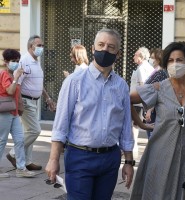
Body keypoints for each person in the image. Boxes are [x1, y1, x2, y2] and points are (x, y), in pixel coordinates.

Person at [45, 28, 135, 200]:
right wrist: (53, 159)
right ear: (93, 49)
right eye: (100, 45)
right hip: (80, 157)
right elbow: (61, 124)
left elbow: (125, 127)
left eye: (110, 47)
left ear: (118, 53)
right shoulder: (74, 81)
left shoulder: (121, 86)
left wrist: (129, 162)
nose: (105, 50)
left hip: (110, 159)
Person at [130, 41, 185, 200]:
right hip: (159, 155)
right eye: (170, 60)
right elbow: (127, 100)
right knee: (157, 194)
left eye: (179, 60)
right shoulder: (158, 88)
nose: (175, 64)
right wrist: (141, 124)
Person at [6, 35, 56, 171]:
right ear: (31, 46)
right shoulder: (24, 61)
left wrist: (48, 98)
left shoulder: (36, 61)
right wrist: (20, 103)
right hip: (26, 101)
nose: (41, 48)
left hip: (35, 101)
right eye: (39, 45)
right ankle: (13, 154)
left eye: (42, 45)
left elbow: (38, 84)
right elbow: (18, 84)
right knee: (34, 130)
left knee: (28, 131)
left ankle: (27, 161)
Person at [0, 49, 36, 178]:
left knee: (20, 140)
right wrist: (16, 78)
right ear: (6, 62)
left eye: (17, 61)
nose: (16, 63)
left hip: (14, 113)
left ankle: (21, 168)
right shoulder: (4, 74)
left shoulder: (11, 75)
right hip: (4, 113)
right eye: (13, 61)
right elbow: (9, 91)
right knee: (2, 140)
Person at [130, 47, 154, 152]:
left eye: (135, 55)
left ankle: (133, 146)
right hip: (144, 102)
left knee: (135, 124)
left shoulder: (141, 69)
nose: (133, 57)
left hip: (138, 102)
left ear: (141, 57)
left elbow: (143, 86)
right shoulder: (149, 67)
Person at [144, 48, 168, 138]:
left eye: (153, 57)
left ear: (158, 59)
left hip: (154, 112)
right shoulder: (157, 72)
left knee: (153, 139)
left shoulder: (161, 73)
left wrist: (149, 110)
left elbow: (157, 93)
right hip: (152, 110)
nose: (151, 60)